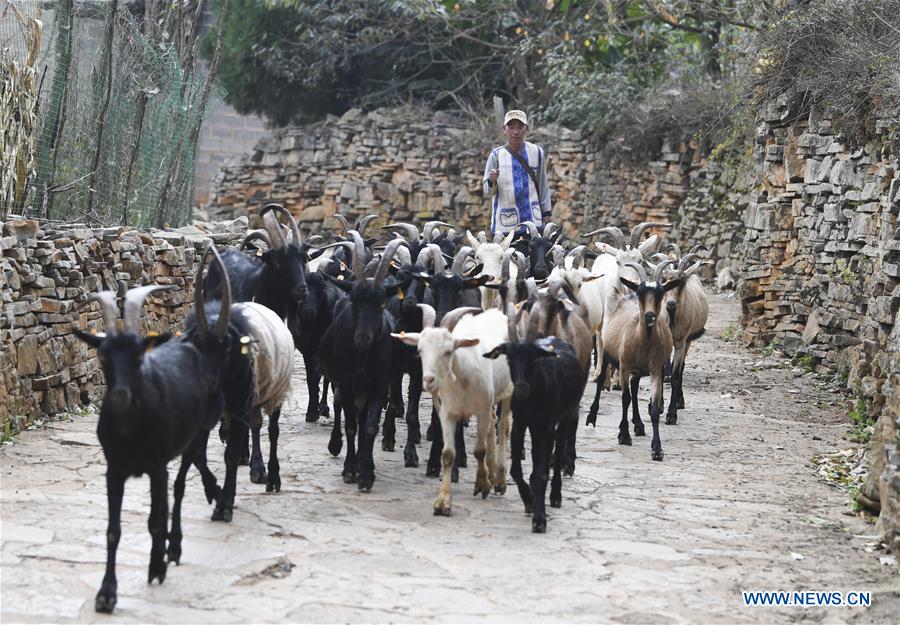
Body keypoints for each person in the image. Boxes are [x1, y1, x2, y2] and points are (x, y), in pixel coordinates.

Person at [482, 109, 552, 236]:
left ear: (527, 129)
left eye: (520, 127)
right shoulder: (496, 155)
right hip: (504, 225)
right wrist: (492, 180)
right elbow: (487, 189)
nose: (515, 132)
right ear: (504, 129)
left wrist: (546, 213)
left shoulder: (537, 152)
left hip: (534, 222)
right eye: (511, 127)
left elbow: (543, 186)